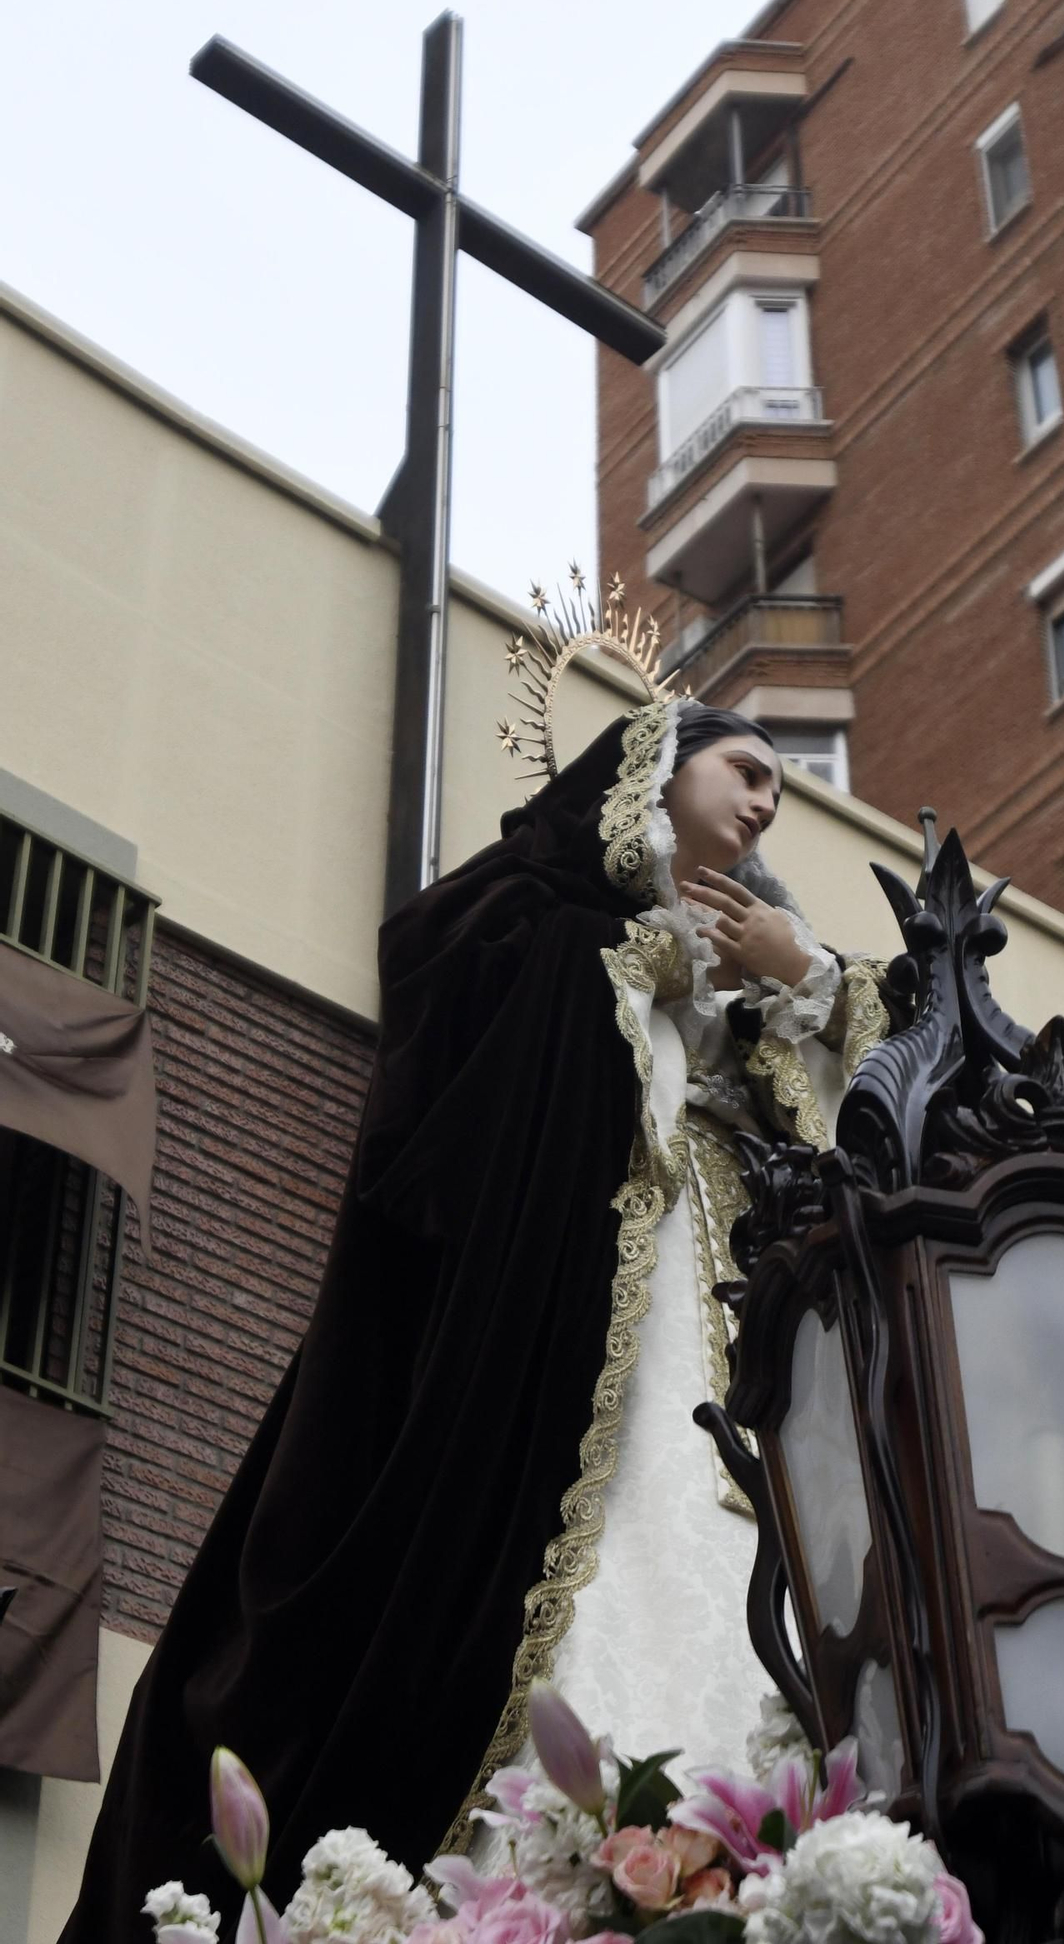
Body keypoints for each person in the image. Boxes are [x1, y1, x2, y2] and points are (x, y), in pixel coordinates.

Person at [61, 697, 888, 1940]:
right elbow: (462, 1034)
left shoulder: (767, 963)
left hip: (746, 1350)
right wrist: (653, 967)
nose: (767, 799)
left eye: (780, 787)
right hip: (579, 1319)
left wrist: (798, 977)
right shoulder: (538, 909)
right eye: (746, 768)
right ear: (654, 770)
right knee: (606, 1554)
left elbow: (878, 1109)